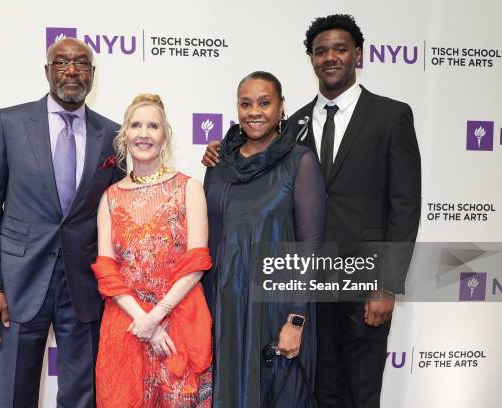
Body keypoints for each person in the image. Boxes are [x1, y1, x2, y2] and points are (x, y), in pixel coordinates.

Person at [202, 15, 421, 408]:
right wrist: (222, 149)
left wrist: (387, 283)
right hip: (307, 287)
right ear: (311, 59)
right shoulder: (294, 125)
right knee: (316, 389)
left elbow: (405, 204)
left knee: (361, 387)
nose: (330, 57)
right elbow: (258, 159)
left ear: (358, 54)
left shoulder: (392, 116)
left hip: (363, 280)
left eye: (339, 49)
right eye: (321, 51)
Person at [0, 38, 123, 407]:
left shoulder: (112, 134)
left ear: (92, 74)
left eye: (81, 63)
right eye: (61, 62)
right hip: (19, 284)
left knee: (82, 396)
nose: (71, 70)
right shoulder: (8, 123)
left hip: (84, 287)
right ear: (47, 72)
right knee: (13, 394)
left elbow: (119, 212)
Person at [203, 71, 326, 407]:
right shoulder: (218, 163)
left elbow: (311, 245)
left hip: (274, 308)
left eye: (264, 102)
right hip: (223, 307)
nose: (254, 111)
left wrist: (296, 320)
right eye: (245, 104)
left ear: (281, 108)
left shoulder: (299, 162)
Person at [91, 94, 213, 407]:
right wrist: (145, 321)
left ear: (165, 135)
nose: (144, 133)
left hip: (180, 323)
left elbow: (197, 262)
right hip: (126, 325)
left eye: (153, 125)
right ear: (124, 135)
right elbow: (106, 269)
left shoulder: (189, 188)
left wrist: (157, 317)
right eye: (136, 125)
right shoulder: (110, 197)